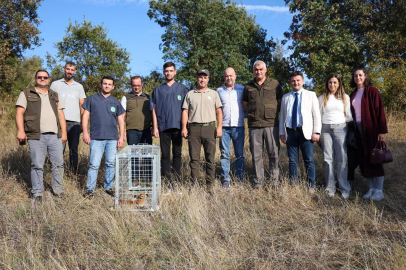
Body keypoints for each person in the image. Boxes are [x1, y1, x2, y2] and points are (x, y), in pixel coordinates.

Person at [15, 69, 67, 202]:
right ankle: (37, 193)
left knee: (58, 164)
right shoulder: (26, 93)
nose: (42, 79)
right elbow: (19, 112)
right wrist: (21, 130)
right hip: (36, 135)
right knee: (37, 164)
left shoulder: (54, 95)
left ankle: (58, 191)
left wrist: (64, 133)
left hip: (55, 136)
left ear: (49, 79)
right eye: (40, 77)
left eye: (45, 77)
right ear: (35, 79)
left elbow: (61, 115)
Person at [81, 76, 125, 198]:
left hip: (112, 139)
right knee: (94, 164)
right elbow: (85, 117)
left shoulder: (115, 102)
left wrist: (121, 137)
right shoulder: (92, 99)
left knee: (111, 163)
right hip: (96, 138)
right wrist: (85, 133)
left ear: (113, 86)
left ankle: (108, 188)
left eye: (109, 84)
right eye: (105, 83)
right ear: (101, 85)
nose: (107, 86)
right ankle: (90, 190)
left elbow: (121, 121)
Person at [242, 60, 283, 189]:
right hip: (254, 125)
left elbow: (280, 102)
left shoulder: (275, 84)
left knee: (273, 154)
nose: (258, 71)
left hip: (271, 124)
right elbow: (245, 104)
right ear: (253, 71)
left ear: (266, 70)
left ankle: (274, 182)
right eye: (256, 69)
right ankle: (258, 182)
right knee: (256, 155)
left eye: (261, 69)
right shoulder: (248, 86)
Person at [349, 66, 388, 201]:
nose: (358, 78)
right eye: (355, 76)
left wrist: (382, 131)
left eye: (360, 75)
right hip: (358, 130)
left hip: (371, 128)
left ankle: (379, 190)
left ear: (365, 76)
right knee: (364, 159)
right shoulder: (352, 94)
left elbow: (380, 111)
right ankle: (371, 188)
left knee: (375, 158)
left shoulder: (373, 91)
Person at [279, 71, 321, 189]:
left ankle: (311, 186)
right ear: (290, 82)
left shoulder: (311, 95)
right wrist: (282, 133)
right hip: (291, 132)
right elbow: (282, 115)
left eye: (298, 80)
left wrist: (316, 132)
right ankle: (294, 186)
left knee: (309, 160)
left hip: (306, 132)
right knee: (292, 161)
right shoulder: (285, 97)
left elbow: (316, 115)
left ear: (302, 81)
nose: (295, 82)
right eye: (293, 80)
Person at [181, 69, 222, 188]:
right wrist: (184, 127)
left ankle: (210, 185)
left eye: (205, 77)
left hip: (209, 128)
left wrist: (219, 127)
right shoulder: (190, 94)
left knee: (210, 159)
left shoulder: (213, 94)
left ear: (208, 79)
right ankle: (194, 185)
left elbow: (219, 111)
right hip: (194, 129)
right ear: (197, 78)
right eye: (200, 77)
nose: (202, 79)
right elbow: (185, 111)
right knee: (194, 159)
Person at [151, 62, 189, 180]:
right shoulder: (158, 90)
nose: (168, 73)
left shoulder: (182, 88)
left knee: (177, 154)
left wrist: (185, 127)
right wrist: (155, 127)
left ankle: (176, 179)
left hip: (178, 126)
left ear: (175, 72)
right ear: (163, 72)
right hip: (163, 126)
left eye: (171, 71)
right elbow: (153, 109)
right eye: (166, 71)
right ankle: (166, 179)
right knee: (165, 155)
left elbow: (187, 109)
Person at [318, 74, 352, 198]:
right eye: (330, 82)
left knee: (342, 158)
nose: (332, 85)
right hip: (325, 128)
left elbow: (348, 115)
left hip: (340, 128)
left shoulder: (345, 97)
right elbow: (317, 115)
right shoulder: (322, 98)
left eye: (335, 83)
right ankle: (330, 188)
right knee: (328, 159)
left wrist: (344, 127)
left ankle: (344, 188)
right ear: (327, 84)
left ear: (339, 84)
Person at [50, 62, 86, 174]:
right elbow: (51, 103)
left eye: (72, 70)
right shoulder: (55, 84)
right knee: (59, 149)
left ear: (74, 72)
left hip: (75, 123)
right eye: (68, 69)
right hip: (59, 122)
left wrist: (82, 124)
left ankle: (72, 174)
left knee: (73, 150)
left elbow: (82, 106)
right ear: (64, 69)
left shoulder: (79, 86)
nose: (70, 71)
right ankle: (58, 174)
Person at [217, 67, 245, 188]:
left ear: (235, 76)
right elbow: (217, 109)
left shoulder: (242, 89)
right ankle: (226, 180)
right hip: (224, 127)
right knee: (224, 154)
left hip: (239, 126)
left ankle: (239, 179)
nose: (229, 78)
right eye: (227, 76)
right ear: (224, 77)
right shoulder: (219, 91)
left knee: (239, 154)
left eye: (231, 75)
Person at [120, 76, 152, 145]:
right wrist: (123, 132)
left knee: (147, 155)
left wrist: (153, 127)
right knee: (134, 155)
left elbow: (152, 113)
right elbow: (122, 116)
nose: (136, 87)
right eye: (134, 85)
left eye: (138, 85)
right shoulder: (126, 98)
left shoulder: (148, 98)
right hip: (132, 131)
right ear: (131, 85)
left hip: (146, 130)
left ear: (142, 85)